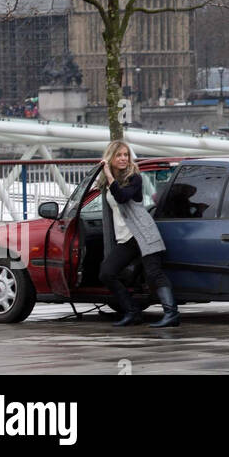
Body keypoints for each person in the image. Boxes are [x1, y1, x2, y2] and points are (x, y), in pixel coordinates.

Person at [97, 140, 180, 328]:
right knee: (107, 273)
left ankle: (172, 314)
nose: (123, 158)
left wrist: (109, 175)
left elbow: (121, 197)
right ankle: (132, 311)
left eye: (126, 155)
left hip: (143, 233)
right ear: (111, 157)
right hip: (126, 237)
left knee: (154, 273)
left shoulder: (135, 178)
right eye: (119, 155)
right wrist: (104, 175)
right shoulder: (106, 182)